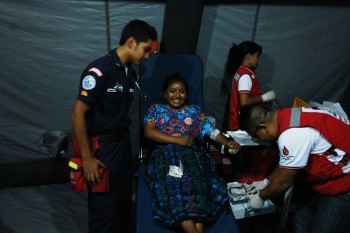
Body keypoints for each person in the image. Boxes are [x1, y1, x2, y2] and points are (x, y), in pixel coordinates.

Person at [71, 19, 157, 233]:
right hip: (102, 148)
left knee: (123, 203)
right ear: (131, 42)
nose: (147, 56)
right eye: (146, 50)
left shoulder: (130, 73)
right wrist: (87, 157)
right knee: (104, 208)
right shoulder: (100, 70)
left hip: (122, 145)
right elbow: (77, 114)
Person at [143, 73, 241, 233]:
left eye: (181, 91)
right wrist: (178, 140)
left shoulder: (194, 111)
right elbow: (148, 132)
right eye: (172, 91)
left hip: (192, 155)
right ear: (165, 93)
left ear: (186, 94)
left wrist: (227, 142)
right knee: (175, 182)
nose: (177, 95)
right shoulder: (156, 109)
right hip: (166, 155)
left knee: (196, 182)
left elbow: (211, 131)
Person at [239, 103, 350, 233]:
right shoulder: (288, 114)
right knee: (301, 221)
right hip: (326, 178)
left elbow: (285, 182)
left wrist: (260, 197)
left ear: (264, 128)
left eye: (255, 136)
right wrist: (266, 182)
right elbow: (286, 165)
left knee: (323, 228)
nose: (258, 140)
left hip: (344, 183)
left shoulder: (291, 135)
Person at [224, 41, 275, 131]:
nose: (258, 60)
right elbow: (244, 101)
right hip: (240, 123)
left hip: (238, 119)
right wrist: (264, 98)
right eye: (257, 56)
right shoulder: (245, 76)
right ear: (248, 56)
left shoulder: (241, 71)